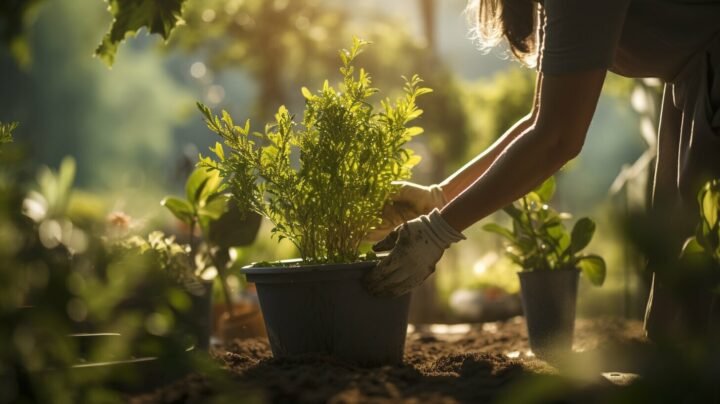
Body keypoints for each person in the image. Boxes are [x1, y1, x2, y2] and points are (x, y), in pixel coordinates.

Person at [365, 0, 720, 339]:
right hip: (695, 84)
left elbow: (558, 138)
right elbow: (540, 120)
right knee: (682, 315)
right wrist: (438, 199)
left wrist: (437, 232)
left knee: (702, 311)